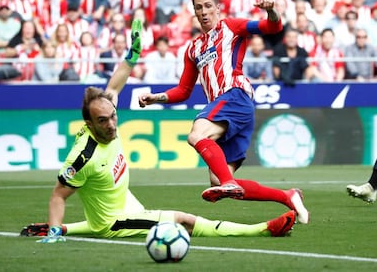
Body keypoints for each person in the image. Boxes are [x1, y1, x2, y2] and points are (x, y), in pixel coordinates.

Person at [20, 20, 297, 243]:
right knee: (184, 221)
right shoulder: (83, 155)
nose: (112, 124)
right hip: (114, 222)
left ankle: (65, 228)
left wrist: (132, 56)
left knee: (190, 198)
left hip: (125, 205)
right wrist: (54, 232)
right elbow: (58, 194)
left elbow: (114, 87)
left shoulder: (107, 114)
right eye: (103, 121)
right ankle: (262, 230)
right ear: (90, 124)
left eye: (113, 117)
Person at [138, 0, 309, 224]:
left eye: (208, 6)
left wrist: (271, 11)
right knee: (218, 181)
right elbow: (184, 90)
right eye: (199, 8)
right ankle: (288, 196)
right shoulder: (193, 48)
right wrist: (158, 97)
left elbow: (273, 27)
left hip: (234, 95)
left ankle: (230, 183)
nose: (204, 12)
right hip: (226, 109)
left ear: (218, 8)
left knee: (197, 134)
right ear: (194, 13)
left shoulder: (231, 27)